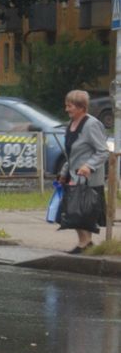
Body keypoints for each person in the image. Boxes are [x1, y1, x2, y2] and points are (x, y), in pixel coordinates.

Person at [58, 89, 109, 254]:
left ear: (81, 107)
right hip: (73, 175)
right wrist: (63, 172)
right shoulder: (70, 125)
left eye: (70, 106)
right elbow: (71, 153)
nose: (67, 109)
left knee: (81, 212)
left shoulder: (92, 124)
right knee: (73, 211)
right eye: (66, 106)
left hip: (89, 178)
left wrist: (89, 166)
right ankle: (84, 243)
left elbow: (102, 151)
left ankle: (85, 243)